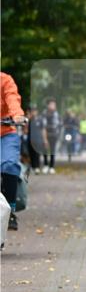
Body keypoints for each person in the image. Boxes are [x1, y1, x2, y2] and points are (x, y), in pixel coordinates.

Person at [1, 72, 26, 231]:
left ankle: (10, 210)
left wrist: (17, 115)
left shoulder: (5, 79)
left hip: (5, 133)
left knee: (9, 165)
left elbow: (12, 97)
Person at [42, 99, 60, 173]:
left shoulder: (56, 113)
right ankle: (46, 165)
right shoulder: (44, 113)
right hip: (46, 134)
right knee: (45, 150)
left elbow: (58, 124)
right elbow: (43, 126)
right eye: (52, 104)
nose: (53, 106)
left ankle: (51, 166)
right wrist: (44, 138)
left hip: (54, 135)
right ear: (48, 105)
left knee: (53, 150)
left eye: (54, 105)